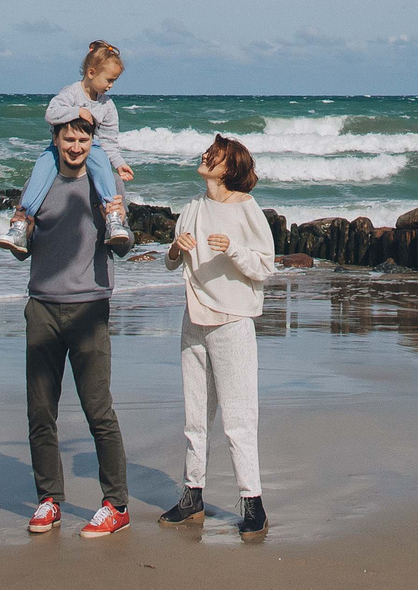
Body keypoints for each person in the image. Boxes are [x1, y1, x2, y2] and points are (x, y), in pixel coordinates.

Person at [157, 133, 276, 539]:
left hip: (232, 320)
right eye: (210, 151)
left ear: (229, 168)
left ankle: (253, 503)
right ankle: (192, 496)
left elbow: (265, 267)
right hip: (194, 319)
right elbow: (172, 263)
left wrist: (233, 249)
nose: (206, 156)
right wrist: (175, 248)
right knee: (195, 415)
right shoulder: (192, 207)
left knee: (239, 418)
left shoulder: (247, 208)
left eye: (216, 154)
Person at [22, 112, 132, 539]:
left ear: (92, 143)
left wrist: (118, 223)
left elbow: (124, 246)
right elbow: (21, 248)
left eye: (83, 141)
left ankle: (116, 505)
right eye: (68, 139)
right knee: (40, 412)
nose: (75, 147)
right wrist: (21, 228)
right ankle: (48, 500)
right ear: (55, 138)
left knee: (98, 410)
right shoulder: (40, 182)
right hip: (42, 307)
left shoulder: (107, 183)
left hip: (89, 308)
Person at [1, 42, 135, 259]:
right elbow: (51, 114)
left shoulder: (107, 106)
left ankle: (112, 219)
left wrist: (119, 163)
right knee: (40, 172)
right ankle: (21, 224)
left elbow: (109, 141)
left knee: (103, 168)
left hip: (94, 146)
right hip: (56, 148)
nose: (111, 86)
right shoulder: (71, 93)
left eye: (114, 81)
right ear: (91, 73)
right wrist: (78, 112)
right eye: (109, 80)